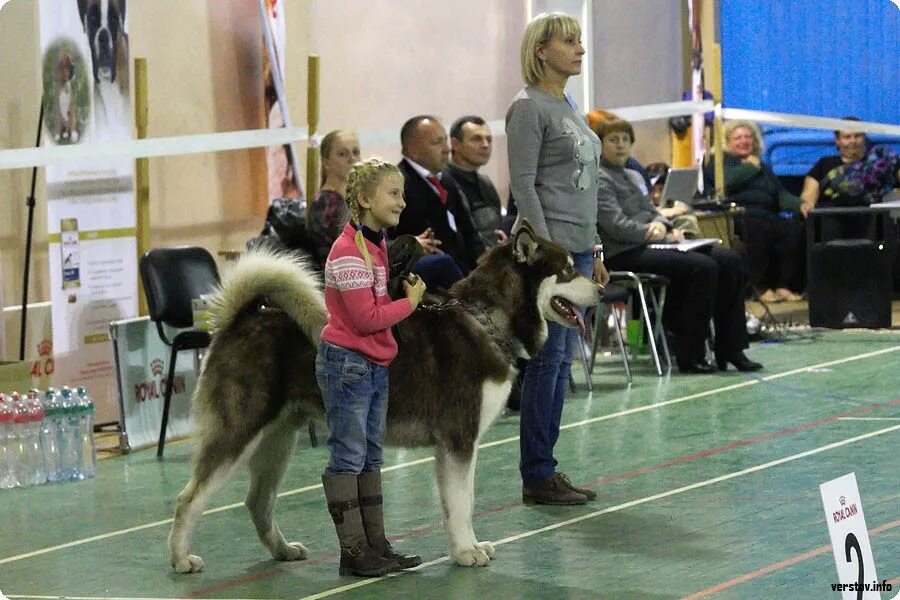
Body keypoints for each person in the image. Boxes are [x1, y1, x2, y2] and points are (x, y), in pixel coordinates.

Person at [506, 12, 609, 506]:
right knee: (546, 364)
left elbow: (585, 188)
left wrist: (595, 250)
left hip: (579, 251)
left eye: (580, 40)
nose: (580, 49)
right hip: (552, 258)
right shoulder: (528, 108)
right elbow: (524, 186)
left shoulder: (567, 105)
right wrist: (552, 259)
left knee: (562, 361)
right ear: (541, 50)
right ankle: (537, 474)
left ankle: (546, 467)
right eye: (569, 41)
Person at [317, 158, 427, 577]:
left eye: (402, 193)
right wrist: (410, 304)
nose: (402, 201)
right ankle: (353, 551)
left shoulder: (377, 245)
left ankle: (375, 544)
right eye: (393, 193)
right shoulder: (347, 252)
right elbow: (365, 319)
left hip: (373, 363)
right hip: (347, 364)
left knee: (371, 454)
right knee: (348, 455)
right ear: (365, 199)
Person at [594, 117, 762, 374]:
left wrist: (665, 226)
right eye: (613, 140)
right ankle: (690, 352)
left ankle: (732, 348)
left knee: (730, 259)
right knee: (702, 267)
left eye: (625, 140)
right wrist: (653, 232)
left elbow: (653, 211)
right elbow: (615, 225)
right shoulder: (599, 179)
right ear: (600, 144)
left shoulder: (631, 175)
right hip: (623, 253)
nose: (620, 145)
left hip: (652, 243)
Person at [703, 120, 805, 303]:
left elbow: (779, 194)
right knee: (759, 229)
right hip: (740, 216)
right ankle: (760, 287)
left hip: (767, 214)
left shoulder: (762, 166)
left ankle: (783, 285)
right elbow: (727, 183)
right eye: (738, 138)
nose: (744, 141)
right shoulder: (719, 163)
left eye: (748, 137)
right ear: (727, 142)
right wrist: (750, 167)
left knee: (793, 229)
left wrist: (802, 205)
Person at [394, 115, 485, 290]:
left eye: (446, 141)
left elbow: (468, 230)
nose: (447, 149)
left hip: (464, 275)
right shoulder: (397, 185)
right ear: (413, 150)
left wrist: (484, 265)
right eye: (437, 142)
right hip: (428, 286)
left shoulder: (446, 178)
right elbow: (386, 240)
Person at [445, 115, 507, 249]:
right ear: (455, 144)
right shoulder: (444, 182)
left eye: (489, 139)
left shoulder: (485, 183)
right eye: (476, 139)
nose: (485, 145)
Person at [307, 130, 361, 266]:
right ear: (326, 162)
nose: (352, 159)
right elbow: (347, 251)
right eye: (342, 154)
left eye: (355, 152)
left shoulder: (358, 197)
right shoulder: (326, 202)